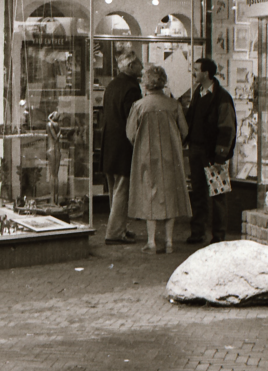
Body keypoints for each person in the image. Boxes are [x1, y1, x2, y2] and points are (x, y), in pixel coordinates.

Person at [126, 65, 191, 254]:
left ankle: (152, 242)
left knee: (149, 196)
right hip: (171, 157)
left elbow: (130, 133)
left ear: (146, 83)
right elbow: (184, 131)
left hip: (146, 156)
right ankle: (169, 242)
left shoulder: (139, 106)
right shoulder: (173, 105)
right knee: (170, 196)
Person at [185, 58, 237, 244]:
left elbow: (227, 128)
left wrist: (220, 155)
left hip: (214, 154)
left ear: (206, 73)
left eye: (196, 69)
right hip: (197, 151)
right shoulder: (198, 94)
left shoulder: (222, 98)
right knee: (198, 192)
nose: (193, 72)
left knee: (217, 195)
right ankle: (198, 232)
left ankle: (219, 235)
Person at [101, 50, 143, 244]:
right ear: (130, 66)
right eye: (138, 64)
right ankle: (115, 232)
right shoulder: (132, 89)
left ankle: (118, 227)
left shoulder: (111, 85)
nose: (142, 67)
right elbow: (133, 119)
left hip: (109, 143)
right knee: (122, 189)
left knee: (114, 189)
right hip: (124, 145)